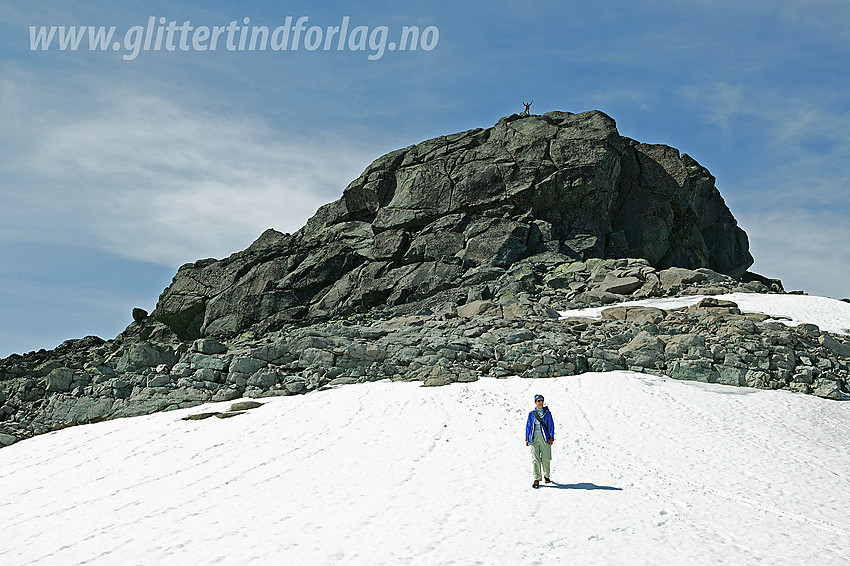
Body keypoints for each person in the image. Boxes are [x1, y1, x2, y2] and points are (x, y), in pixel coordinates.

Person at [525, 394, 554, 488]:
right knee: (535, 460)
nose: (540, 402)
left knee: (546, 459)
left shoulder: (547, 413)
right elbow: (528, 426)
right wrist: (527, 438)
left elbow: (551, 425)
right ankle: (536, 479)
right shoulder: (532, 414)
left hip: (545, 438)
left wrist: (551, 437)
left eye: (542, 401)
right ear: (535, 402)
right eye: (539, 401)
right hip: (534, 439)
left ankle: (547, 476)